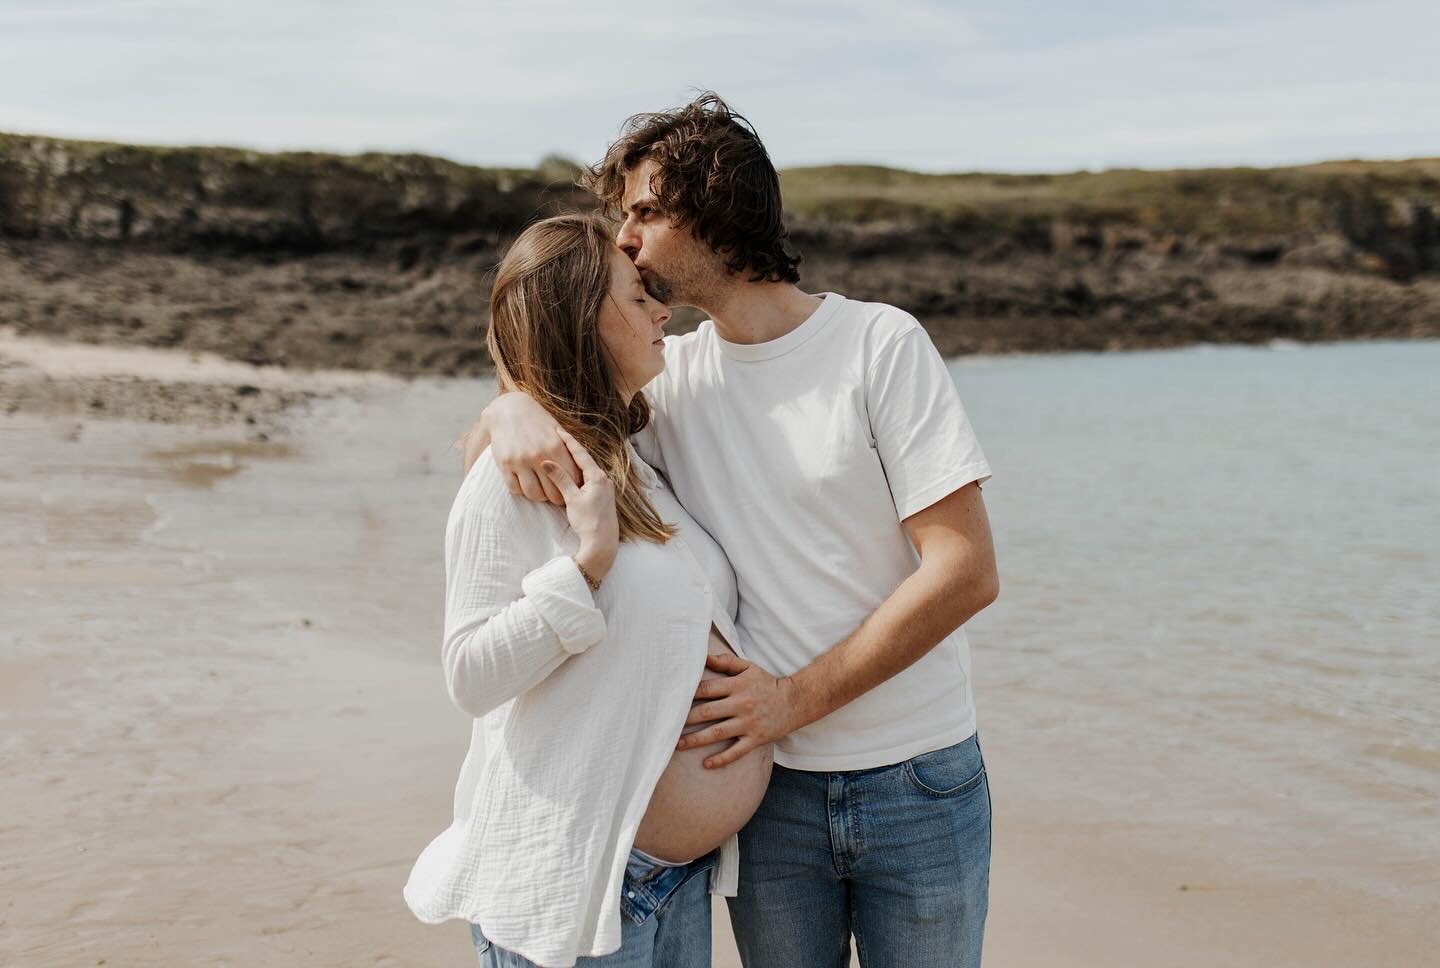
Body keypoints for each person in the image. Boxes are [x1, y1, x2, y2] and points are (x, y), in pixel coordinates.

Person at [469, 93, 1000, 968]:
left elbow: (965, 571)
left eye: (643, 211)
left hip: (918, 777)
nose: (626, 240)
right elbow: (555, 366)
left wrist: (792, 700)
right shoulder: (665, 379)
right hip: (773, 801)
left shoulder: (879, 345)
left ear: (714, 205)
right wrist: (511, 409)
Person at [404, 213, 774, 967]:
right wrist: (587, 567)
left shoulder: (635, 459)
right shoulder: (508, 484)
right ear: (581, 316)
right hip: (577, 893)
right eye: (638, 297)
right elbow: (470, 675)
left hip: (667, 886)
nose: (661, 311)